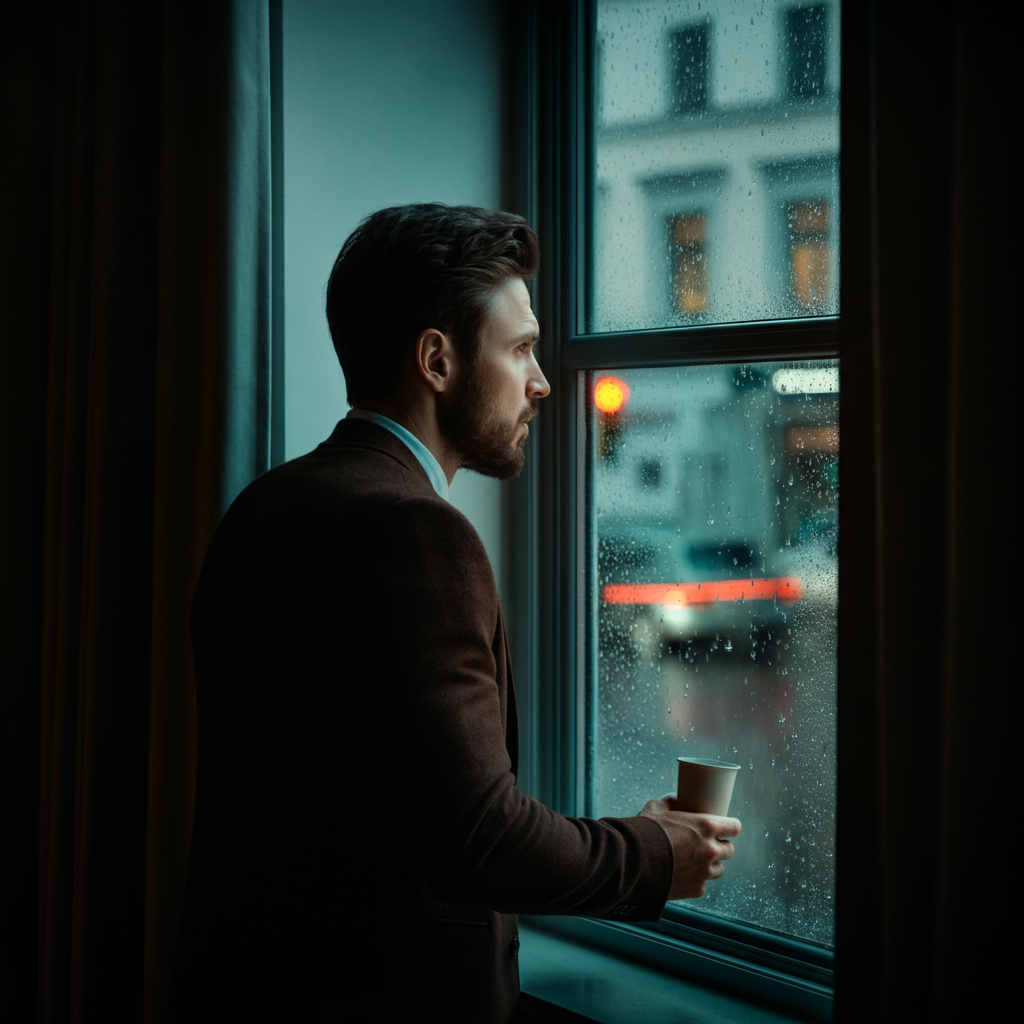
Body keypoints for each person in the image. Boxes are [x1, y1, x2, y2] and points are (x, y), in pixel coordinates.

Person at [168, 203, 740, 1023]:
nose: (542, 381)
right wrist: (655, 855)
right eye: (519, 349)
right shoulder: (415, 531)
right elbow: (480, 840)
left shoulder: (264, 504)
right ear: (437, 360)